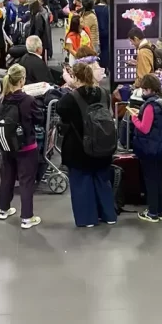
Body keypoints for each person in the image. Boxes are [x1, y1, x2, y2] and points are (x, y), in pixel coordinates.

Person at [57, 63, 118, 227]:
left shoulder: (70, 98)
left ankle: (87, 219)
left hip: (78, 148)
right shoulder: (104, 94)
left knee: (81, 184)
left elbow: (60, 110)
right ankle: (108, 215)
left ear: (75, 78)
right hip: (103, 146)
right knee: (103, 182)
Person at [0, 64, 43, 229]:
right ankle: (27, 217)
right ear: (22, 80)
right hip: (27, 147)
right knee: (26, 181)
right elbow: (39, 119)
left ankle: (3, 209)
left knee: (6, 178)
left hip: (7, 146)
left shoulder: (2, 98)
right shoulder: (28, 100)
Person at [128, 74, 162, 222]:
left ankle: (153, 212)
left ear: (149, 89)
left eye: (143, 89)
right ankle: (160, 210)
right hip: (161, 147)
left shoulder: (150, 105)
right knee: (158, 178)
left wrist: (134, 117)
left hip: (148, 148)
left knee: (150, 180)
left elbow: (144, 127)